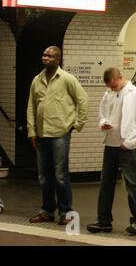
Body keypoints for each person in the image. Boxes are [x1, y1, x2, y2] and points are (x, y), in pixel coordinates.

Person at [27, 46, 88, 225]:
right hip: (41, 134)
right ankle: (46, 211)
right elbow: (31, 107)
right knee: (43, 176)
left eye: (49, 56)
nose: (45, 58)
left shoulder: (67, 79)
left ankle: (66, 212)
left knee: (61, 175)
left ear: (58, 59)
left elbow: (83, 100)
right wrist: (32, 131)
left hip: (60, 133)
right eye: (44, 55)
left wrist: (77, 124)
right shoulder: (36, 80)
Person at [87, 67, 136, 236]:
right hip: (110, 145)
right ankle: (104, 221)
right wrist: (103, 123)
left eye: (114, 85)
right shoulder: (108, 94)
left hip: (126, 147)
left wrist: (129, 142)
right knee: (106, 184)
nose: (112, 89)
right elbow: (102, 114)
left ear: (121, 77)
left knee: (132, 184)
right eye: (109, 87)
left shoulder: (135, 94)